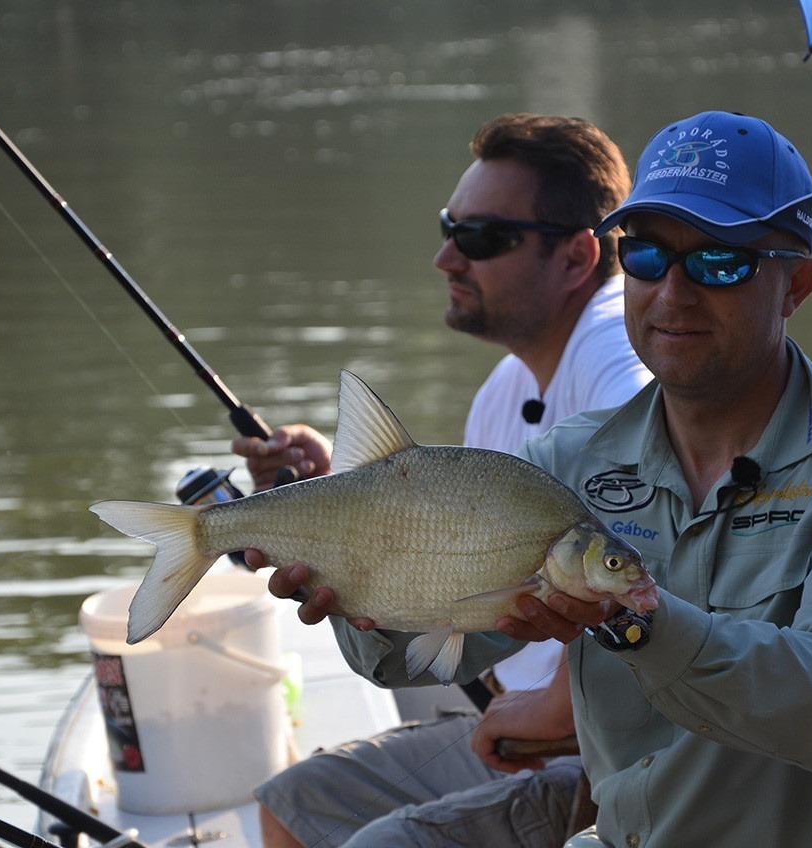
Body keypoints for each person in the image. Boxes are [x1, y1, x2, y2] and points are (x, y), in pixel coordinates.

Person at [270, 110, 812, 848]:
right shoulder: (567, 462)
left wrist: (634, 619)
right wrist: (348, 583)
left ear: (797, 284)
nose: (674, 292)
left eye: (719, 261)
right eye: (645, 256)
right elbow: (404, 656)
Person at [232, 113, 650, 848]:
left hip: (591, 749)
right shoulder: (507, 383)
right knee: (296, 803)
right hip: (501, 714)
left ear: (579, 257)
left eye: (481, 237)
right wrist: (338, 501)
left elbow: (653, 541)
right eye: (449, 226)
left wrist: (558, 706)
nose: (445, 258)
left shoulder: (617, 362)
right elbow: (449, 542)